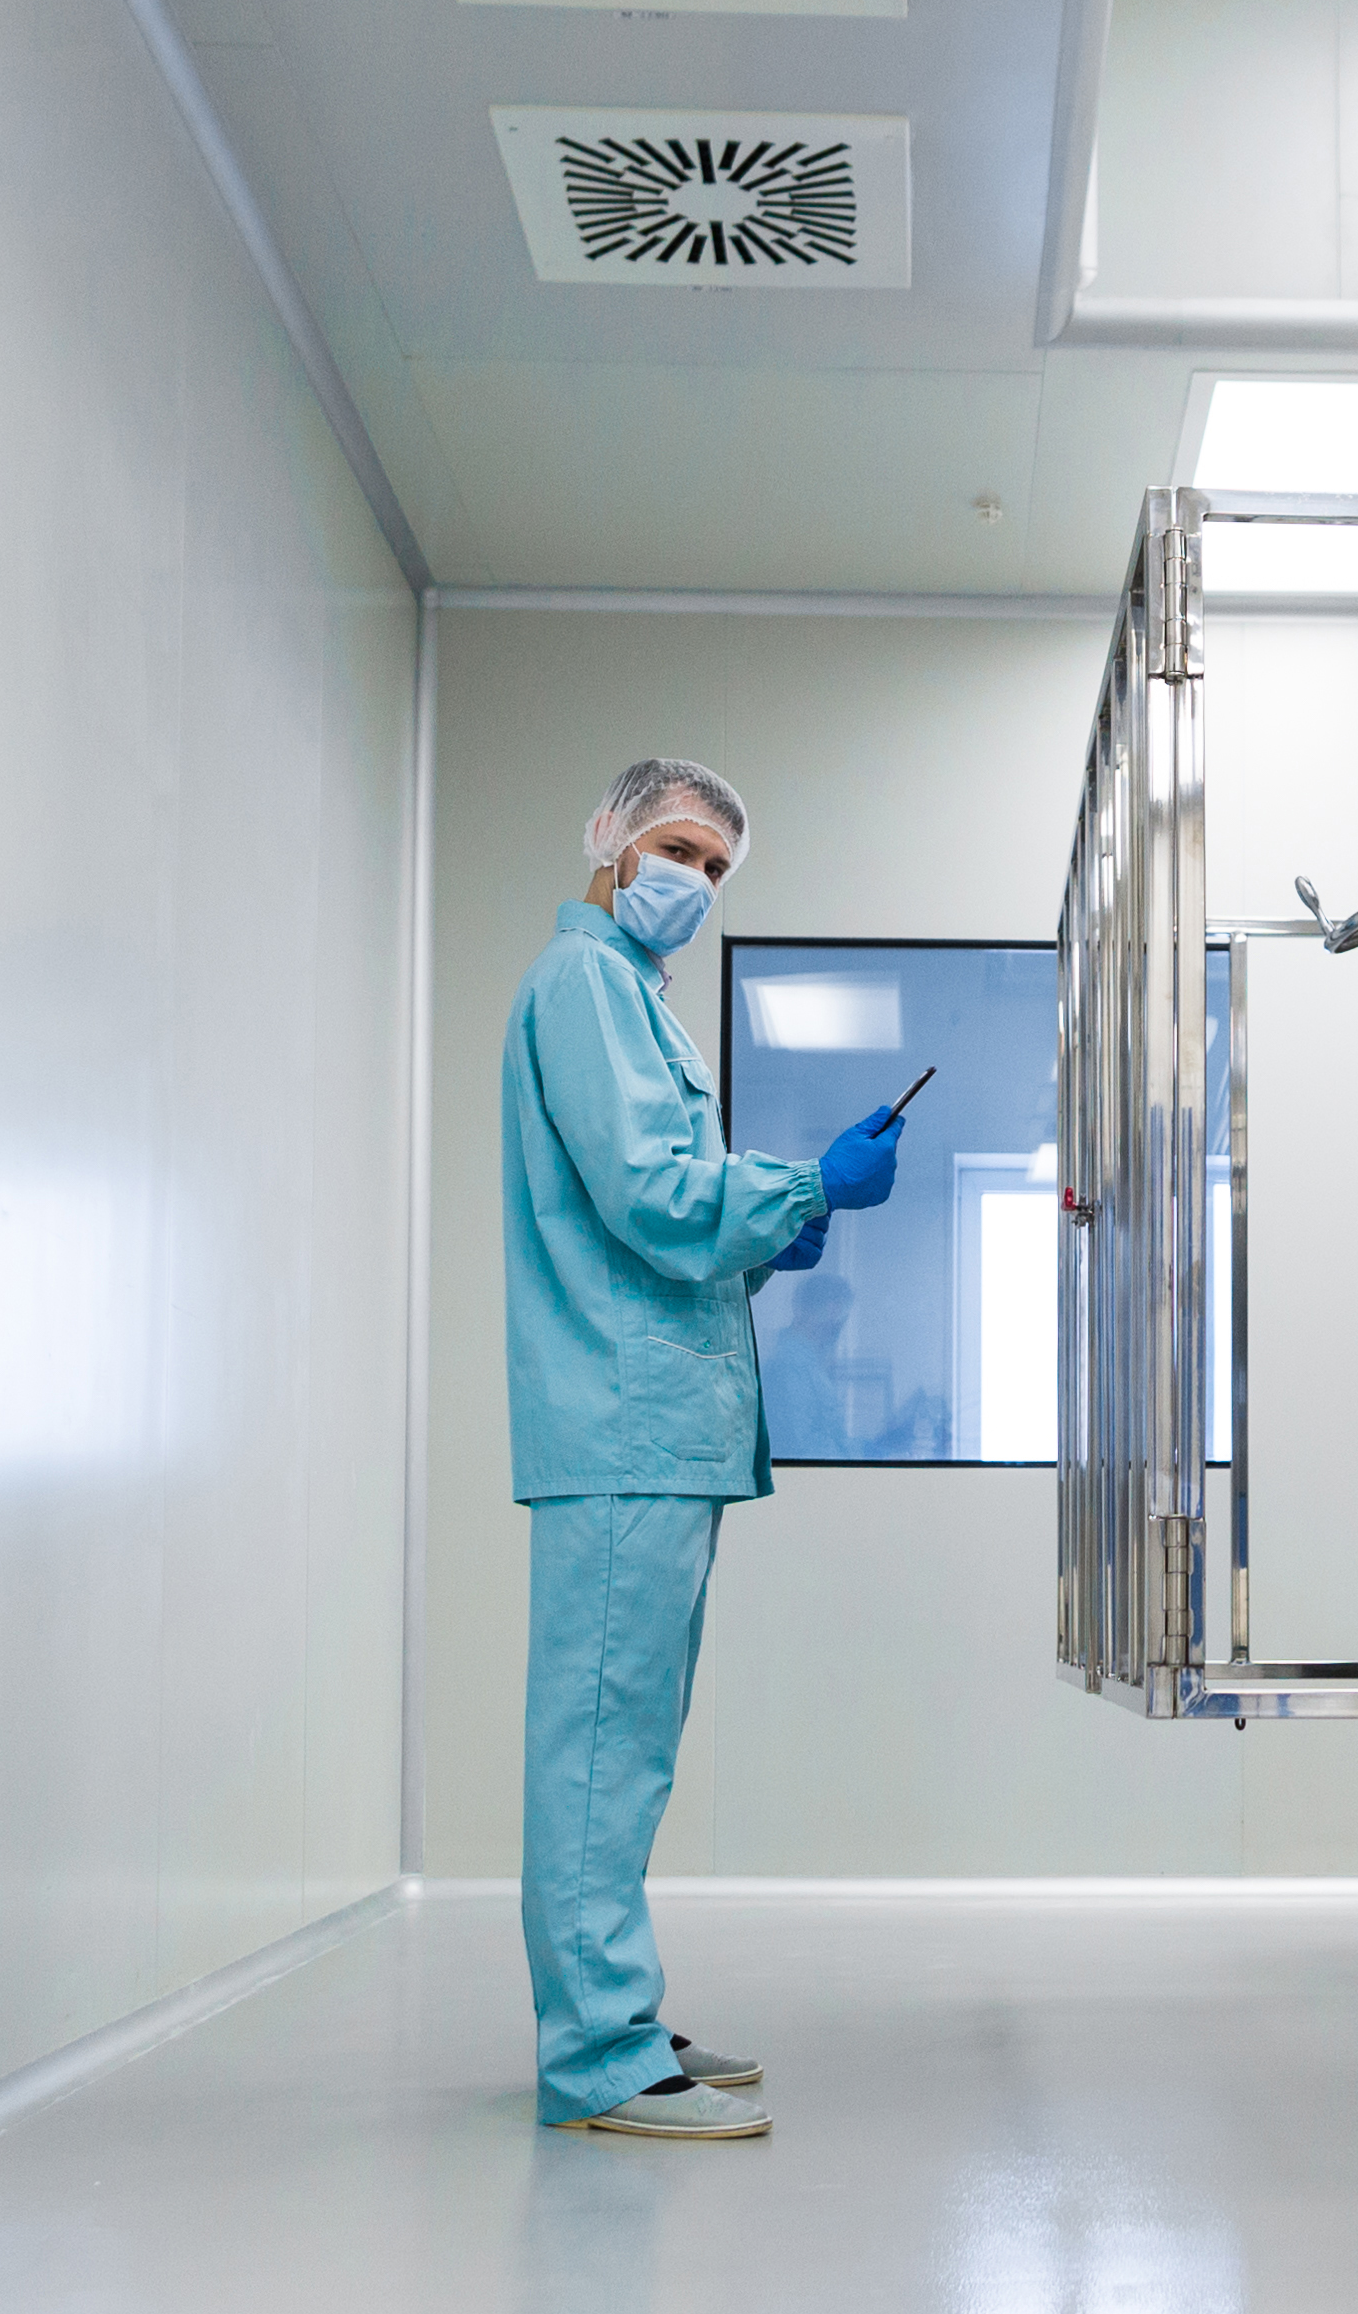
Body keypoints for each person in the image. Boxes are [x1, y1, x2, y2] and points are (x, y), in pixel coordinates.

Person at [500, 756, 907, 2141]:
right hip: (621, 1423)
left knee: (626, 1747)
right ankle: (598, 2055)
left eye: (720, 868)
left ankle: (610, 2010)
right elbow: (650, 1193)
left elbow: (665, 1226)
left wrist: (774, 1231)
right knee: (600, 1748)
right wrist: (797, 1185)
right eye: (680, 847)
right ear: (608, 836)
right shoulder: (585, 989)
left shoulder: (633, 1003)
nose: (696, 882)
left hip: (651, 1422)